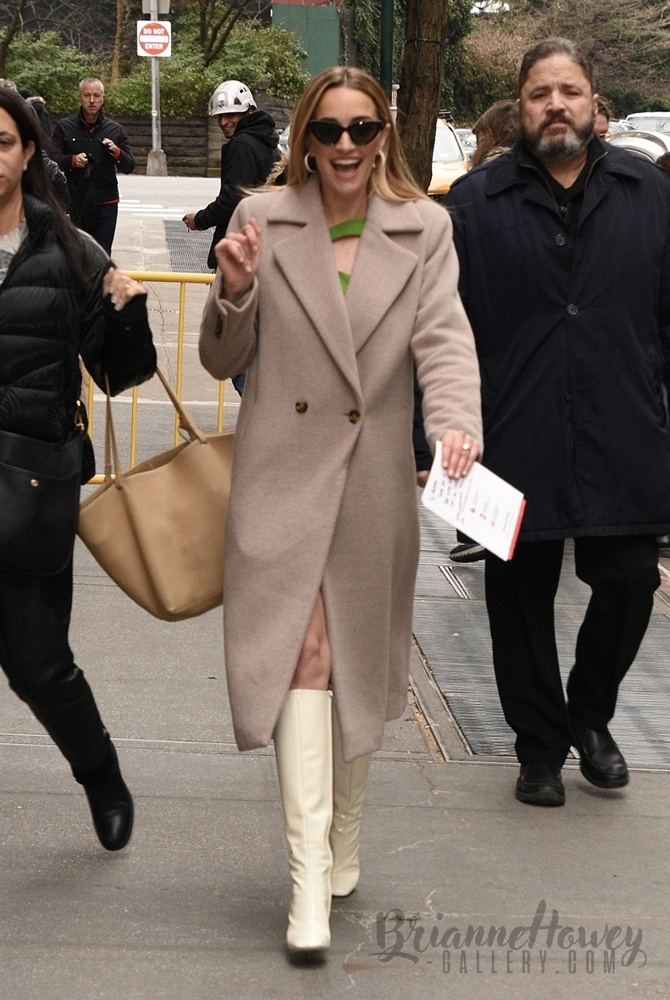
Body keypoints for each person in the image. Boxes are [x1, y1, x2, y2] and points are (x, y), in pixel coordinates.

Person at [198, 66, 482, 955]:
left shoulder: (425, 227)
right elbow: (221, 359)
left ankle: (346, 829)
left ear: (384, 136)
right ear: (305, 142)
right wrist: (233, 290)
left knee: (354, 661)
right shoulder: (261, 217)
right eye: (328, 130)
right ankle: (308, 879)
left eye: (363, 128)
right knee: (306, 654)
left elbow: (444, 335)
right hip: (279, 478)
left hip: (368, 484)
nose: (347, 145)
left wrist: (456, 421)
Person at [445, 37, 670, 808]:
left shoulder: (648, 192)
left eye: (569, 91)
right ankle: (538, 749)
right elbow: (439, 331)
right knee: (517, 600)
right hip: (510, 435)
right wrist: (429, 435)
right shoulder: (474, 201)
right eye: (540, 92)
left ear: (594, 102)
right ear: (521, 105)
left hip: (624, 433)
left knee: (631, 579)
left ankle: (589, 715)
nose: (555, 105)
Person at [0, 87, 156, 849]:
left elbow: (120, 372)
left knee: (37, 664)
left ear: (29, 151)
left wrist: (127, 313)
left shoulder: (69, 251)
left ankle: (101, 774)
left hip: (31, 487)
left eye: (2, 142)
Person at [183, 80, 279, 395]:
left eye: (231, 115)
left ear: (247, 111)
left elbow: (232, 199)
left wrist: (200, 219)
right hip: (265, 249)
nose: (224, 121)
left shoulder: (242, 145)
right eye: (220, 116)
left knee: (231, 338)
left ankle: (257, 403)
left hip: (240, 253)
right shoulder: (268, 143)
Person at [51, 77, 135, 253]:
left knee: (102, 253)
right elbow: (51, 159)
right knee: (76, 253)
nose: (92, 100)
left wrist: (116, 151)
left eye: (96, 96)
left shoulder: (115, 129)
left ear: (102, 98)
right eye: (87, 95)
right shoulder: (64, 127)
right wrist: (72, 161)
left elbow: (129, 166)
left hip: (106, 200)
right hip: (74, 200)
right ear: (79, 97)